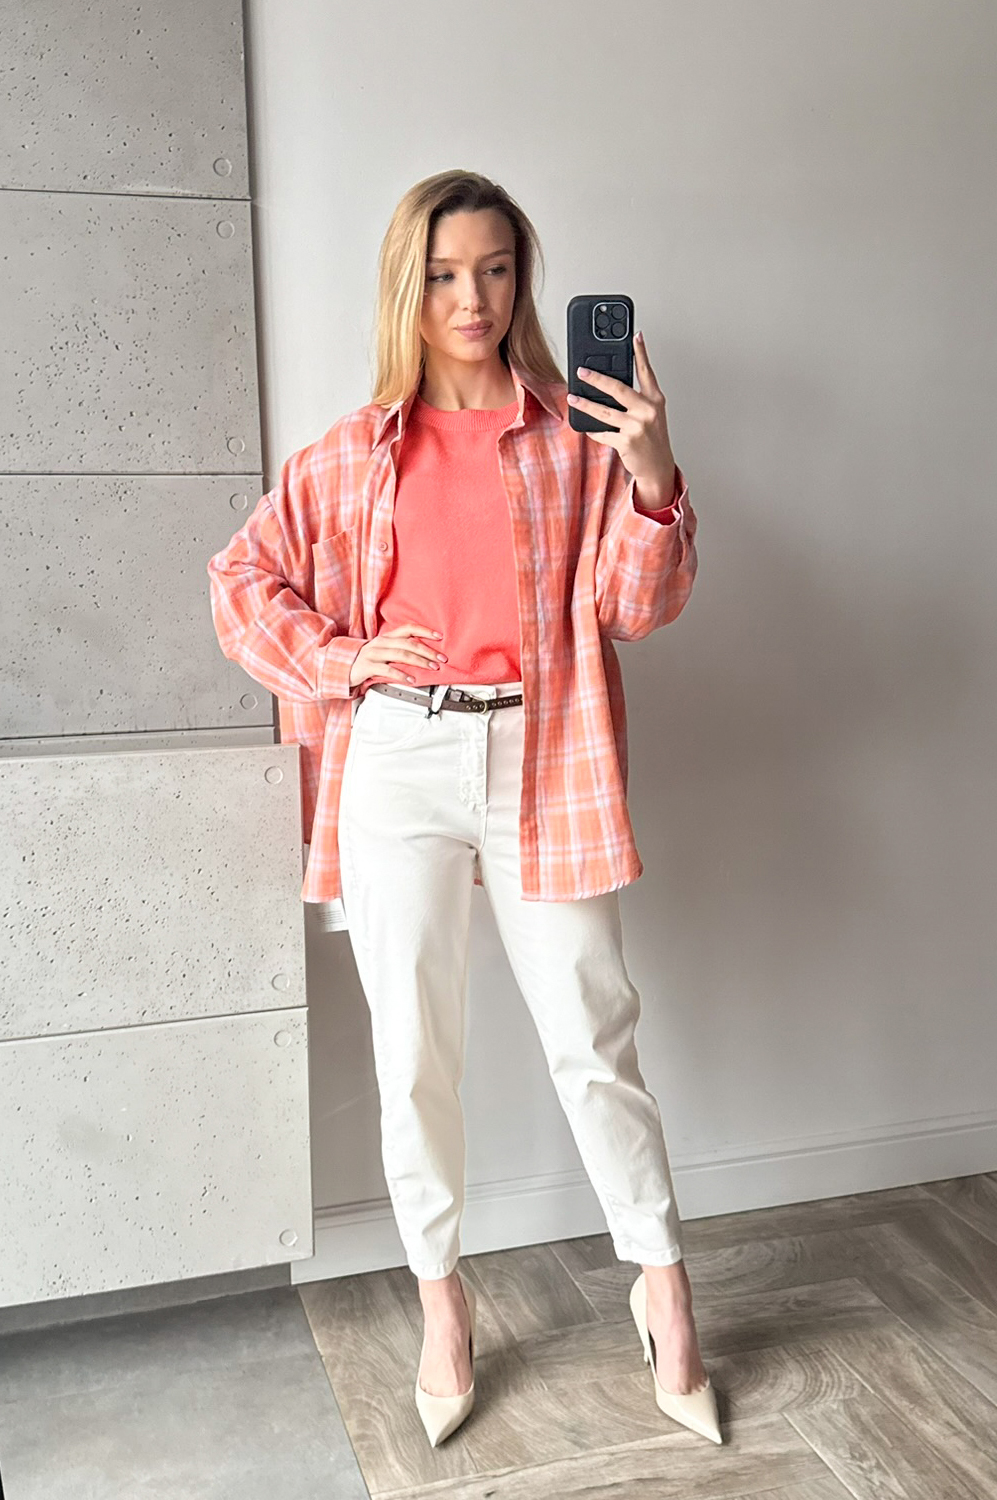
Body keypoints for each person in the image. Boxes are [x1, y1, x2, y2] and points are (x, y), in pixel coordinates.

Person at [207, 169, 720, 1449]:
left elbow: (637, 606)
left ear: (521, 279)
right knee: (414, 1051)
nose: (471, 297)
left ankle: (663, 1290)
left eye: (493, 269)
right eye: (443, 274)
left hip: (544, 750)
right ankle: (443, 1305)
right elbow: (240, 580)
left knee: (592, 1033)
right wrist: (341, 659)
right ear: (409, 286)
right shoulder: (353, 451)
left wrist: (652, 473)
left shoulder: (575, 437)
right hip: (399, 760)